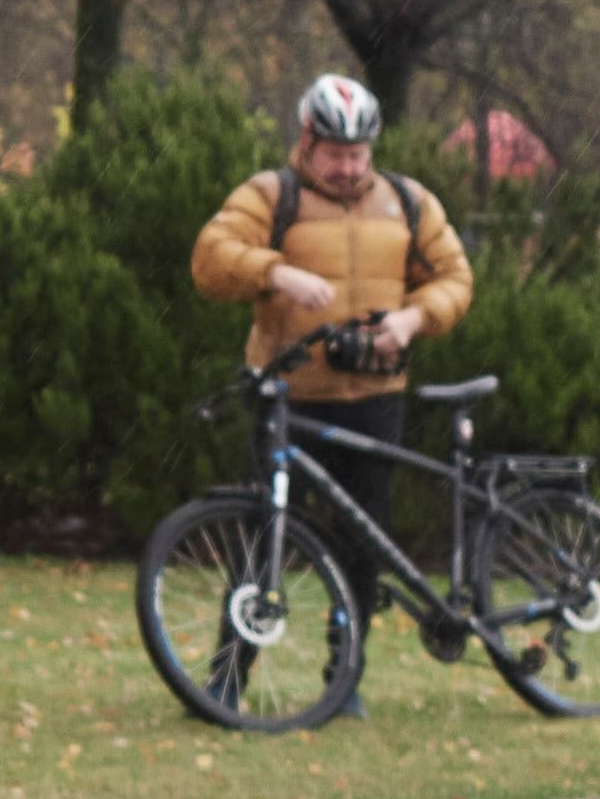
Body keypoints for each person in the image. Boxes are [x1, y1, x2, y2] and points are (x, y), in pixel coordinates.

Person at [189, 73, 474, 551]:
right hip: (287, 394)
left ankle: (353, 625)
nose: (347, 168)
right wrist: (277, 273)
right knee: (262, 534)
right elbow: (210, 260)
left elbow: (456, 278)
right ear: (307, 141)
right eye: (335, 155)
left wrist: (411, 320)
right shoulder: (272, 196)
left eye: (357, 155)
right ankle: (244, 626)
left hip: (374, 395)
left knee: (364, 539)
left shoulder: (407, 202)